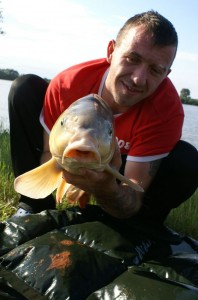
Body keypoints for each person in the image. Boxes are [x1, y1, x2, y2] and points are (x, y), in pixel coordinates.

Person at [8, 10, 198, 222]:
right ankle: (32, 206)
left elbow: (132, 193)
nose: (138, 78)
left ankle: (140, 227)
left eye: (155, 70)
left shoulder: (167, 112)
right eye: (132, 58)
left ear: (166, 75)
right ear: (111, 51)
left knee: (187, 161)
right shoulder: (66, 85)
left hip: (124, 166)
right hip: (71, 153)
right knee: (23, 88)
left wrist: (106, 188)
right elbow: (47, 154)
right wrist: (73, 176)